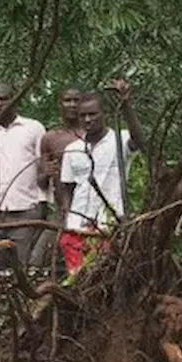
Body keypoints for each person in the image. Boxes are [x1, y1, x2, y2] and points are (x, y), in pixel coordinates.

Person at [58, 80, 144, 274]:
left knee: (102, 278)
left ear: (103, 114)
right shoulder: (72, 150)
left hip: (109, 226)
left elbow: (139, 140)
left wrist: (126, 106)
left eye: (92, 114)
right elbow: (67, 188)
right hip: (77, 227)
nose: (87, 120)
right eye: (83, 116)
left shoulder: (119, 141)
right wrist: (66, 217)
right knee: (76, 279)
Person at [0, 82, 47, 288]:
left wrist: (41, 201)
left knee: (18, 265)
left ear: (15, 99)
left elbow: (43, 165)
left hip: (25, 206)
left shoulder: (33, 129)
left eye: (4, 98)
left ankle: (17, 304)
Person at [29, 87, 83, 271]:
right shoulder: (50, 138)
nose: (72, 105)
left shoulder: (92, 136)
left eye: (76, 100)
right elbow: (41, 182)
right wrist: (47, 172)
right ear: (60, 104)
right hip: (61, 212)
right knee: (36, 261)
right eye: (67, 100)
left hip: (91, 212)